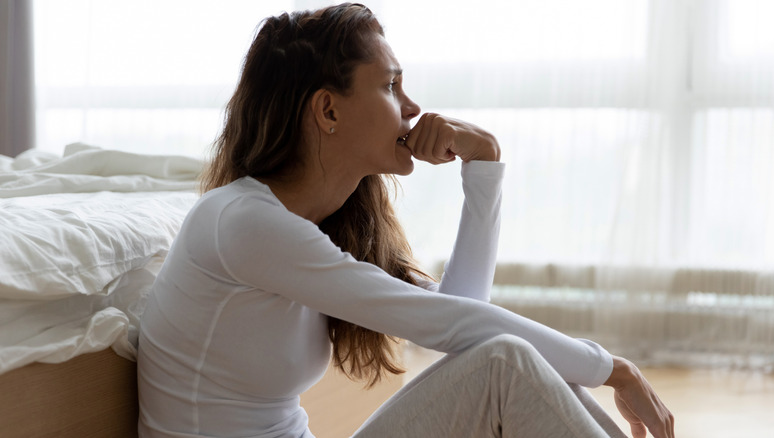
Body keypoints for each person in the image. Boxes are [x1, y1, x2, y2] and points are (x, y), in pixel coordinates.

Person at [137, 3, 674, 437]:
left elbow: (462, 314)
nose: (412, 107)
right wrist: (615, 369)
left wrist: (485, 164)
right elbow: (455, 326)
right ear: (328, 111)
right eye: (391, 86)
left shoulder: (317, 223)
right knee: (506, 363)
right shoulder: (243, 224)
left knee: (517, 362)